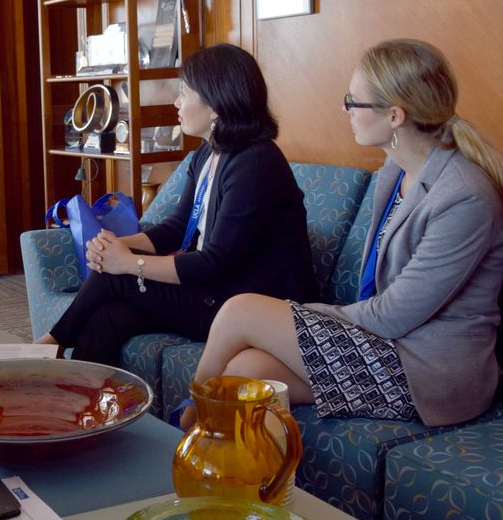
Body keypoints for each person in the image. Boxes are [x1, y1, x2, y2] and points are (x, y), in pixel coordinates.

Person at [193, 39, 503, 428]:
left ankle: (185, 430)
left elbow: (393, 316)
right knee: (244, 368)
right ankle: (239, 473)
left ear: (395, 116)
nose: (345, 109)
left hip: (429, 371)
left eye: (354, 101)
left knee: (241, 310)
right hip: (388, 347)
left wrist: (302, 315)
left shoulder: (464, 197)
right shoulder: (395, 171)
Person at [36, 43, 317, 367]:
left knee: (118, 277)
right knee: (110, 316)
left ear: (215, 105)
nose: (176, 103)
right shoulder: (209, 153)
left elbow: (214, 263)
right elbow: (174, 229)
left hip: (250, 307)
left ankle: (47, 347)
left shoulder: (255, 163)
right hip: (216, 291)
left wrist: (127, 262)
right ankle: (89, 407)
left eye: (184, 93)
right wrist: (115, 246)